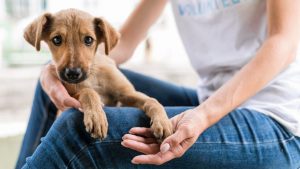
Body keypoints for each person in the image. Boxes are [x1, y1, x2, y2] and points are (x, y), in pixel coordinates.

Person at [16, 0, 300, 168]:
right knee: (52, 86)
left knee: (76, 130)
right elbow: (122, 44)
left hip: (277, 118)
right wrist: (54, 69)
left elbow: (283, 43)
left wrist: (203, 115)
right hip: (209, 98)